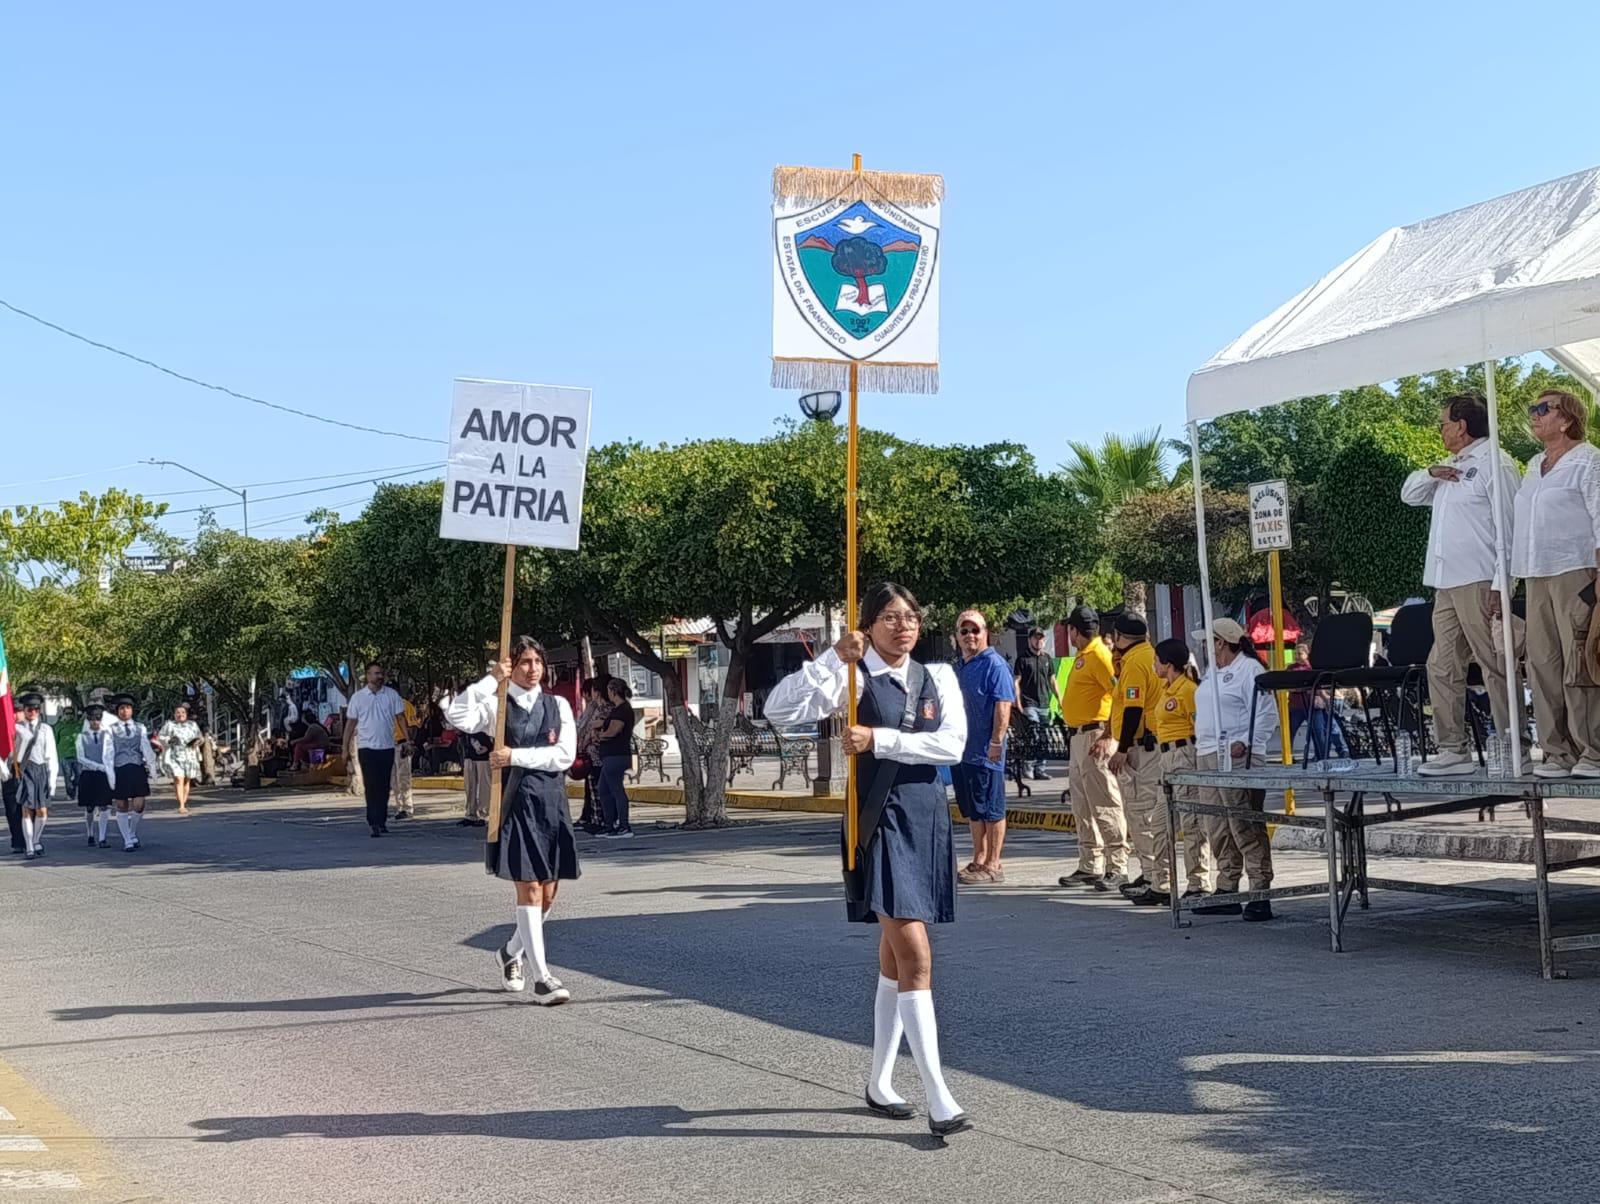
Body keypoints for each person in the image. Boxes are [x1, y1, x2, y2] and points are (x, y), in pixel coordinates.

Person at [764, 582, 973, 1138]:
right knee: (916, 954)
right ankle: (938, 1095)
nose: (902, 626)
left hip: (926, 817)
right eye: (888, 616)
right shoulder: (849, 677)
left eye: (910, 616)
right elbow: (777, 709)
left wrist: (877, 738)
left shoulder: (940, 678)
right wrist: (835, 656)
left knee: (894, 955)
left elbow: (951, 746)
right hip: (876, 819)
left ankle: (880, 1080)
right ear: (868, 625)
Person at [447, 636, 578, 1006]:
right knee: (530, 888)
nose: (532, 669)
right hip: (515, 802)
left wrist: (514, 756)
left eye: (537, 661)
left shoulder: (558, 705)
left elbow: (564, 755)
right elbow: (457, 716)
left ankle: (510, 951)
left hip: (551, 801)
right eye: (524, 662)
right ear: (512, 666)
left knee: (549, 891)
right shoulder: (497, 706)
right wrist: (491, 679)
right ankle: (543, 978)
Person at [1400, 391, 1522, 777]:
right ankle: (1453, 748)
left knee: (1493, 662)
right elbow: (1409, 494)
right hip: (1445, 582)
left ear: (1462, 426)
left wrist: (1504, 581)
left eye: (1443, 423)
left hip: (1480, 578)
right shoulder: (1449, 466)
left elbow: (1510, 525)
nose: (1440, 430)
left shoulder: (1494, 463)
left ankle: (1513, 743)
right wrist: (1430, 472)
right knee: (1441, 664)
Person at [1512, 388, 1600, 778]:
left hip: (1574, 569)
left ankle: (1592, 750)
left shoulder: (1588, 460)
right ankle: (1556, 751)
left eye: (1542, 408)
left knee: (1578, 659)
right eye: (1532, 408)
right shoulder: (1533, 464)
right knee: (1542, 662)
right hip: (1536, 572)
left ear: (1566, 419)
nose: (1534, 415)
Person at [1191, 619, 1279, 921]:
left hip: (1237, 755)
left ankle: (1259, 889)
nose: (1204, 648)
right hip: (1208, 754)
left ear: (1220, 642)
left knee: (1244, 822)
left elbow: (1268, 715)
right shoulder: (1211, 673)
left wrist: (1245, 741)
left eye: (1208, 642)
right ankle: (1227, 886)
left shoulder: (1250, 670)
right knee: (1216, 824)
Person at [1056, 605, 1130, 891]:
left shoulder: (1100, 655)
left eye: (1070, 630)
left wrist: (1109, 735)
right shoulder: (1083, 657)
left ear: (1075, 630)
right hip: (1078, 737)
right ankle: (1090, 864)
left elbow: (1119, 695)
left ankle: (1118, 866)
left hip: (1095, 734)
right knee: (1083, 805)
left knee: (1105, 802)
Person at [1106, 614, 1168, 905]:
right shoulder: (1149, 655)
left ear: (1119, 636)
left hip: (1142, 749)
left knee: (1141, 813)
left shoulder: (1134, 663)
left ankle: (1155, 876)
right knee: (1144, 812)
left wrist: (1122, 748)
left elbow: (1132, 709)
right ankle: (1150, 872)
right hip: (1150, 746)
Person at [951, 609, 1014, 885]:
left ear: (985, 633)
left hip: (987, 751)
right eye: (964, 631)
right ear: (956, 637)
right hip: (963, 750)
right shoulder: (960, 666)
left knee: (992, 808)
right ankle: (979, 857)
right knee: (974, 808)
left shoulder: (994, 665)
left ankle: (994, 863)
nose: (970, 636)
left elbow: (1003, 705)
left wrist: (996, 741)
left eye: (975, 630)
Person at [1151, 638, 1213, 899]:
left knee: (1192, 823)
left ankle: (1198, 882)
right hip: (1166, 757)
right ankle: (1162, 883)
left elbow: (1200, 727)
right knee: (1160, 822)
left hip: (1185, 753)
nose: (1154, 665)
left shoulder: (1188, 691)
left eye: (1156, 661)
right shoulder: (1167, 689)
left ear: (1168, 664)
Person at [343, 662, 410, 836]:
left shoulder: (391, 695)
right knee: (371, 785)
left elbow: (400, 718)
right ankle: (374, 821)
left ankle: (381, 819)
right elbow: (350, 723)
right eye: (375, 673)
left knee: (384, 784)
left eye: (381, 673)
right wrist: (345, 747)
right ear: (368, 675)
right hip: (366, 747)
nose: (379, 676)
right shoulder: (358, 698)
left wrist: (408, 740)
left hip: (387, 746)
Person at [12, 692, 59, 859]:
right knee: (26, 810)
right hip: (25, 771)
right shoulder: (17, 728)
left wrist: (52, 780)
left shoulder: (46, 729)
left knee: (42, 811)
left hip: (41, 770)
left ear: (39, 711)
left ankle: (37, 840)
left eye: (35, 709)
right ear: (24, 710)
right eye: (29, 709)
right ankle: (30, 846)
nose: (32, 712)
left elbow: (52, 756)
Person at [109, 695, 158, 851]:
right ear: (117, 711)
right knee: (121, 804)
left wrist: (153, 768)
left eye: (128, 708)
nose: (125, 711)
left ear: (132, 710)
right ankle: (127, 840)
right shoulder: (110, 729)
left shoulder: (140, 727)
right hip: (119, 768)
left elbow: (146, 748)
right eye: (122, 708)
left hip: (136, 767)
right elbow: (108, 752)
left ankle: (131, 831)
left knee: (139, 804)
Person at [1012, 626, 1059, 780]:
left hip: (1044, 702)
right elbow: (1016, 682)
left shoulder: (1047, 658)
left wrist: (1060, 698)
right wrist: (1018, 702)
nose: (1038, 641)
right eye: (1035, 638)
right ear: (1029, 639)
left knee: (1044, 737)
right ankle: (1028, 764)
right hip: (1029, 703)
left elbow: (1052, 680)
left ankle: (1040, 768)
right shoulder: (1022, 659)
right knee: (1034, 734)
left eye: (1041, 638)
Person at [594, 678, 636, 838]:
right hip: (610, 756)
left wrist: (600, 736)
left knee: (616, 790)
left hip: (616, 755)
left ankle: (624, 826)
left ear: (612, 691)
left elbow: (614, 730)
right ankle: (609, 824)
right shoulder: (616, 709)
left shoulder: (623, 709)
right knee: (603, 789)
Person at [573, 676, 611, 833]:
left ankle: (601, 820)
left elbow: (592, 728)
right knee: (594, 788)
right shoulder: (596, 707)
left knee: (599, 789)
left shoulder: (603, 708)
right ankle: (595, 818)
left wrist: (586, 740)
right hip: (591, 753)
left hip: (597, 754)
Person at [76, 702, 115, 847]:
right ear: (88, 720)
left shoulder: (107, 735)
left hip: (103, 775)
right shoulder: (82, 737)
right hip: (89, 774)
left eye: (98, 718)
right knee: (90, 807)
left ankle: (102, 837)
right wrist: (97, 766)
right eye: (92, 718)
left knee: (104, 806)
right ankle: (90, 832)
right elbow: (80, 757)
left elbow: (111, 753)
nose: (95, 721)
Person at [156, 703, 203, 815]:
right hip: (175, 755)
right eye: (178, 712)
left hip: (189, 755)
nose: (180, 715)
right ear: (174, 714)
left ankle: (184, 801)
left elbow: (200, 737)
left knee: (187, 780)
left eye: (182, 712)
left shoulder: (192, 725)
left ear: (186, 714)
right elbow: (161, 736)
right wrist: (170, 740)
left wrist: (197, 741)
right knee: (178, 778)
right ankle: (181, 805)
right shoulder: (170, 725)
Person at [390, 687, 420, 820]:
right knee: (393, 780)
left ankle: (407, 808)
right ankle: (399, 807)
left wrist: (409, 743)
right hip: (388, 745)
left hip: (402, 744)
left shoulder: (405, 705)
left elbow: (413, 726)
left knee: (403, 777)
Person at [458, 729, 492, 827]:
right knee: (469, 785)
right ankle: (470, 813)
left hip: (484, 753)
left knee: (484, 786)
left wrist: (489, 747)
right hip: (469, 752)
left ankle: (485, 815)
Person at [54, 706, 82, 804]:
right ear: (63, 715)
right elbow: (55, 740)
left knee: (79, 775)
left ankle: (74, 788)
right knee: (67, 775)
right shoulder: (59, 726)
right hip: (64, 754)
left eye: (71, 713)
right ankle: (70, 794)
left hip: (77, 754)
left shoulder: (77, 725)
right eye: (67, 713)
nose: (69, 715)